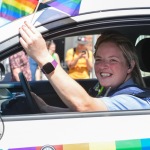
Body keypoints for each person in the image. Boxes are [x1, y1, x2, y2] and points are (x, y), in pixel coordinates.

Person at [19, 22, 150, 113]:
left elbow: (84, 106)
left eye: (113, 60)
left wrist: (43, 56)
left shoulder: (134, 100)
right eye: (99, 59)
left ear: (130, 66)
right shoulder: (110, 90)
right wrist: (45, 108)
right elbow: (81, 113)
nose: (103, 65)